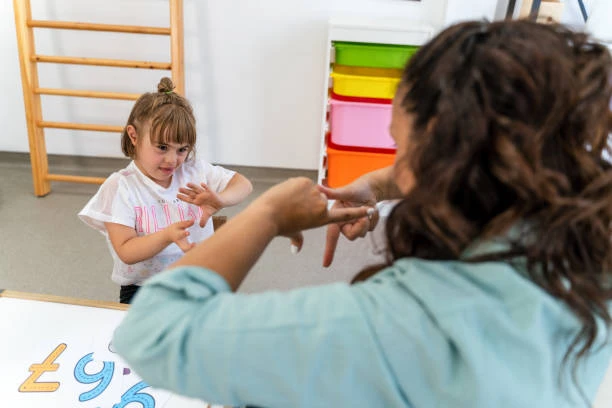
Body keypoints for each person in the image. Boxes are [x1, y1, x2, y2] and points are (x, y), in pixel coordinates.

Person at [112, 20, 612, 407]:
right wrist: (381, 184)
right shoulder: (593, 242)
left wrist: (268, 213)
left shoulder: (395, 322)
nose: (396, 163)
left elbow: (153, 332)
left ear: (440, 159)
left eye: (400, 148)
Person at [79, 77, 253, 304]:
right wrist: (167, 236)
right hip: (143, 286)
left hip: (197, 277)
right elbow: (126, 251)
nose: (172, 160)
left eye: (182, 149)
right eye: (162, 147)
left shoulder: (195, 171)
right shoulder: (120, 187)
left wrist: (221, 199)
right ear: (134, 136)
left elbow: (244, 184)